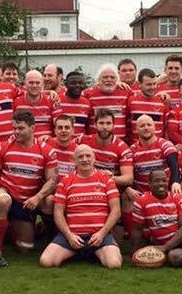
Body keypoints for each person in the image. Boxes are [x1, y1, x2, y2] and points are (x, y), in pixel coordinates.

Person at [0, 110, 57, 266]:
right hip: (5, 190)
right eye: (14, 128)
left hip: (26, 200)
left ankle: (11, 229)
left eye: (21, 128)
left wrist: (38, 197)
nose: (16, 132)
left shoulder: (46, 150)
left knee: (25, 248)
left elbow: (52, 180)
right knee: (3, 200)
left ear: (32, 128)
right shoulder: (5, 146)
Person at [38, 145, 122, 269]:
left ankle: (92, 252)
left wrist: (101, 234)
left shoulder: (106, 179)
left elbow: (116, 211)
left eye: (88, 156)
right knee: (46, 261)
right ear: (74, 160)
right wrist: (69, 235)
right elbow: (58, 213)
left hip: (99, 236)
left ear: (94, 158)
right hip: (72, 236)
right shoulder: (66, 181)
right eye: (80, 157)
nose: (85, 159)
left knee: (114, 264)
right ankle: (79, 252)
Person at [79, 110, 134, 238]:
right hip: (87, 185)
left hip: (110, 189)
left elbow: (128, 178)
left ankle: (130, 235)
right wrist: (48, 139)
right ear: (95, 124)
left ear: (114, 125)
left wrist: (110, 178)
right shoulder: (84, 140)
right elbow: (65, 142)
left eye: (108, 123)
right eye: (101, 123)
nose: (105, 126)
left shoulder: (122, 147)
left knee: (117, 242)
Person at [83, 64, 131, 140]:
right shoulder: (87, 94)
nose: (109, 79)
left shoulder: (126, 92)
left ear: (117, 79)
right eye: (105, 77)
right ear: (99, 79)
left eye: (112, 77)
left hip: (120, 144)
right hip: (96, 144)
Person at [126, 69, 167, 142]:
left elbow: (166, 128)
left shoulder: (162, 101)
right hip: (136, 149)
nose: (152, 87)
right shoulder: (131, 101)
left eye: (154, 84)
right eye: (148, 84)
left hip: (157, 149)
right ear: (140, 84)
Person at [13, 70, 55, 139]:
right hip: (24, 146)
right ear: (25, 83)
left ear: (42, 84)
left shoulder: (51, 100)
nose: (34, 86)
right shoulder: (16, 102)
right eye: (31, 83)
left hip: (47, 145)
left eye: (38, 83)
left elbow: (58, 125)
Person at [53, 71, 92, 138]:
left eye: (80, 83)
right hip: (61, 144)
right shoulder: (56, 101)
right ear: (66, 84)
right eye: (73, 83)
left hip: (80, 145)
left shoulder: (87, 104)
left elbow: (87, 128)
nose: (77, 86)